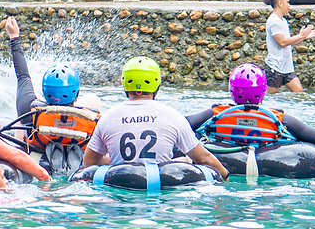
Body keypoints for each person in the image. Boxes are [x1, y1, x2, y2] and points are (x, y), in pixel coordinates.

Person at [186, 63, 315, 164]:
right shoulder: (277, 118)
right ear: (264, 91)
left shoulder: (217, 112)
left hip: (224, 157)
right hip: (272, 163)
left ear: (232, 91)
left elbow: (183, 124)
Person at [81, 57, 229, 180]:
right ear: (156, 83)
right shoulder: (173, 116)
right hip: (162, 186)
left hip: (121, 183)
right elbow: (204, 159)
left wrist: (112, 160)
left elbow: (89, 163)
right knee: (185, 160)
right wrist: (225, 177)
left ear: (125, 83)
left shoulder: (107, 119)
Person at [5, 16, 100, 174]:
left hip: (37, 153)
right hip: (79, 151)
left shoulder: (29, 109)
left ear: (44, 92)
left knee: (22, 120)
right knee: (93, 100)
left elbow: (23, 75)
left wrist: (14, 37)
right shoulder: (90, 116)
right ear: (76, 94)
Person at [265, 0, 315, 93]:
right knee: (270, 99)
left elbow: (289, 42)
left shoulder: (283, 21)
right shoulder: (274, 21)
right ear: (280, 4)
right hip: (275, 67)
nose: (289, 5)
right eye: (287, 2)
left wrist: (303, 37)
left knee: (299, 94)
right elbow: (281, 42)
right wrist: (300, 35)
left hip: (287, 68)